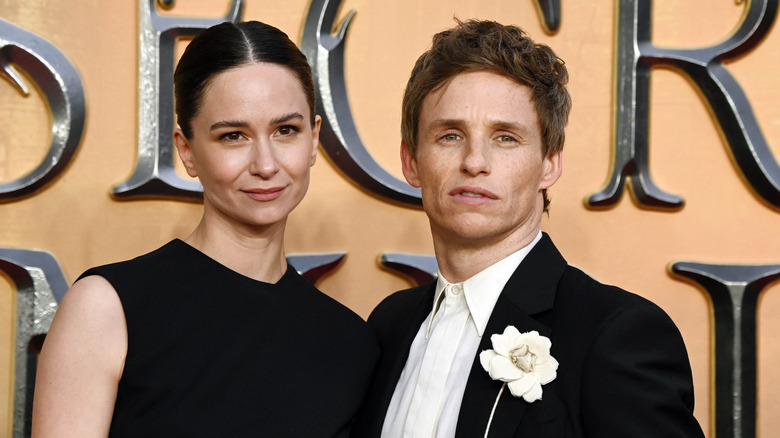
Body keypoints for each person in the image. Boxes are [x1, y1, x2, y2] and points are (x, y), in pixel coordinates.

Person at [351, 19, 704, 437]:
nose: (474, 161)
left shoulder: (615, 335)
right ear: (411, 161)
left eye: (505, 137)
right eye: (449, 135)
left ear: (549, 163)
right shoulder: (387, 327)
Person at [32, 20, 378, 437]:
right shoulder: (107, 309)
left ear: (314, 139)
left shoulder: (348, 343)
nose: (266, 165)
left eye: (286, 131)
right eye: (233, 136)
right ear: (187, 151)